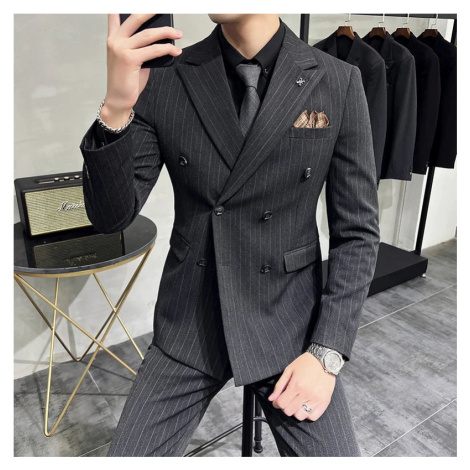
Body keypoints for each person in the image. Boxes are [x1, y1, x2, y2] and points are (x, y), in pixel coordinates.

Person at [79, 13, 380, 457]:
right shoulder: (166, 76)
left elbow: (357, 232)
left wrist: (326, 353)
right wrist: (117, 107)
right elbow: (111, 218)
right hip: (189, 322)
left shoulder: (337, 80)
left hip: (288, 327)